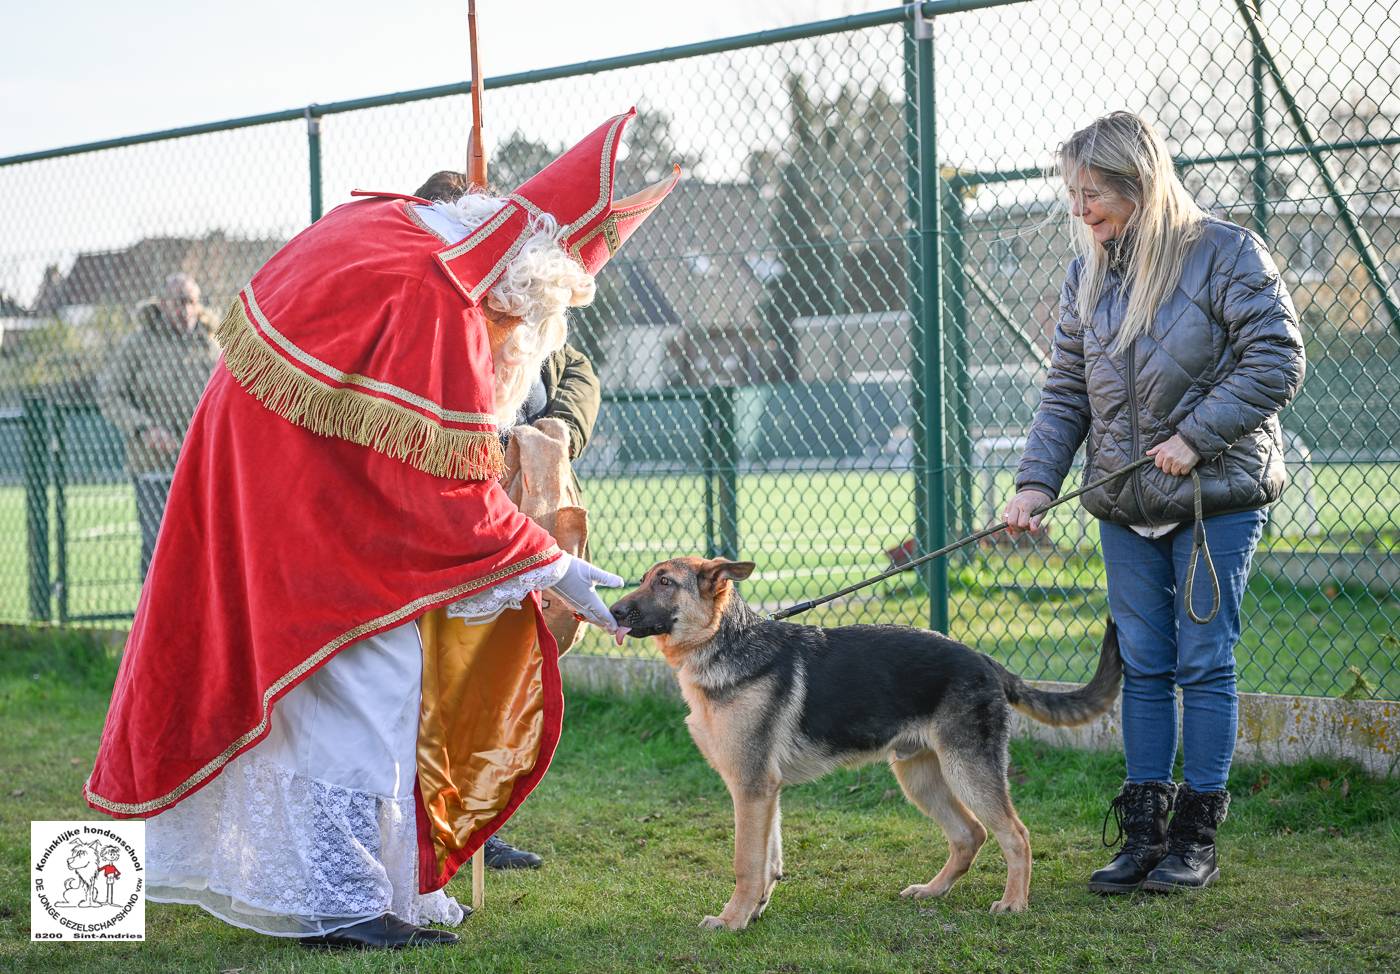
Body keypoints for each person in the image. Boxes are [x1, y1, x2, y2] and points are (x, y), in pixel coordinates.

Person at [85, 110, 678, 949]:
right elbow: (449, 496)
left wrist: (542, 564)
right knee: (368, 681)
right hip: (309, 502)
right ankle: (340, 906)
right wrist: (558, 570)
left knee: (342, 684)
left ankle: (361, 890)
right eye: (520, 324)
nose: (516, 342)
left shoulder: (397, 228)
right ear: (517, 281)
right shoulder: (437, 299)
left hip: (291, 480)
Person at [1003, 112, 1304, 895]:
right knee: (1143, 664)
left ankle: (1195, 838)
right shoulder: (1087, 274)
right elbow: (1067, 390)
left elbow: (1278, 356)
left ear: (1138, 181)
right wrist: (1035, 482)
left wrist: (1199, 436)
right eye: (1073, 193)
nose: (1080, 209)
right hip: (1125, 501)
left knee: (1204, 663)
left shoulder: (1226, 252)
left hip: (1214, 495)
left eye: (1092, 192)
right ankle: (1143, 834)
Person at [415, 170, 604, 872]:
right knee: (445, 671)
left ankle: (483, 822)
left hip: (528, 500)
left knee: (513, 659)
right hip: (457, 510)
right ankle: (433, 819)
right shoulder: (427, 301)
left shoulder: (519, 288)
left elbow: (577, 368)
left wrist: (553, 430)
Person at [95, 272, 219, 577]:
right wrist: (144, 428)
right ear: (162, 304)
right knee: (158, 546)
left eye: (191, 302)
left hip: (202, 464)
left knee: (207, 547)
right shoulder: (138, 344)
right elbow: (108, 394)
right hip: (153, 466)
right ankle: (153, 621)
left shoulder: (211, 343)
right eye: (178, 302)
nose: (186, 309)